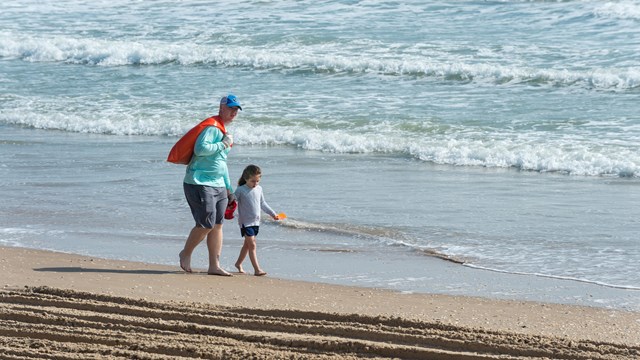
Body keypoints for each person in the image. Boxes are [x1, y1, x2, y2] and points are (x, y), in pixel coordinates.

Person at [178, 94, 241, 276]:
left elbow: (221, 163)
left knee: (217, 225)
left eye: (236, 110)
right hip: (199, 182)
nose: (233, 112)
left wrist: (229, 189)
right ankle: (186, 253)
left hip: (219, 184)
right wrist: (223, 144)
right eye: (230, 108)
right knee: (206, 224)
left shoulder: (224, 131)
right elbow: (200, 149)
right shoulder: (213, 128)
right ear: (221, 108)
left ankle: (214, 265)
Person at [233, 164, 280, 276]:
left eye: (257, 181)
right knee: (252, 245)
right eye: (253, 181)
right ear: (246, 179)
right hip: (245, 222)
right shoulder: (241, 190)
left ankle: (238, 263)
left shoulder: (259, 189)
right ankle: (257, 269)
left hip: (256, 222)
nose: (255, 184)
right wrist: (229, 198)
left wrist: (273, 214)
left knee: (247, 245)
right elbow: (233, 200)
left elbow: (262, 204)